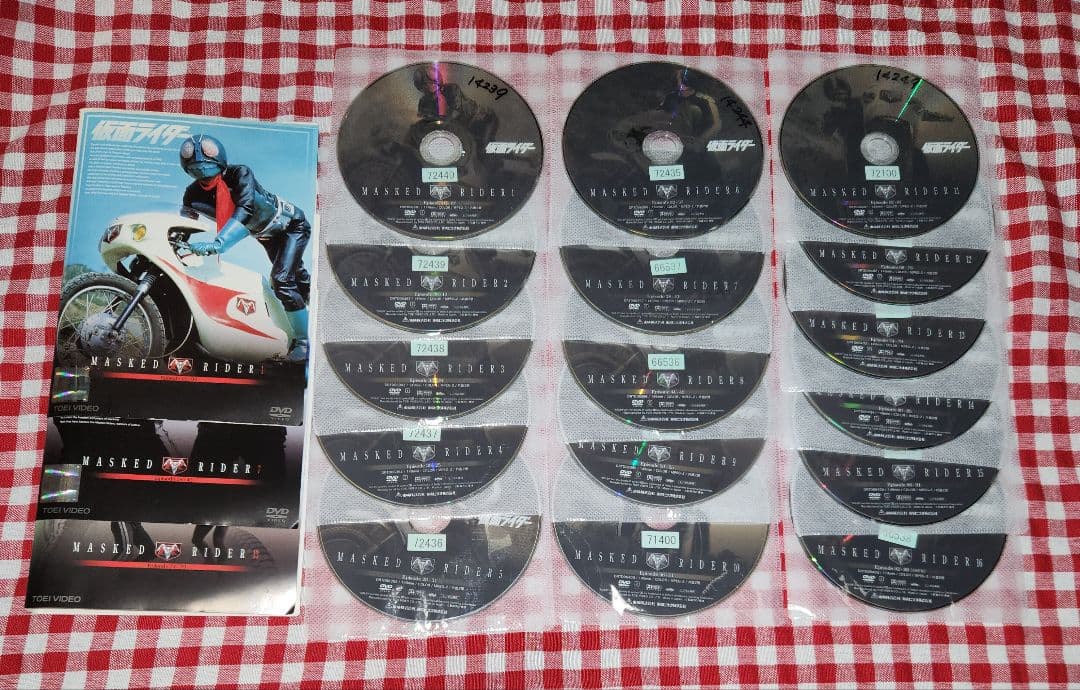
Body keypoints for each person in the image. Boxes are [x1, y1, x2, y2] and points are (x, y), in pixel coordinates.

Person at [179, 134, 311, 362]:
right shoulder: (192, 194)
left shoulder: (240, 173)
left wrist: (218, 244)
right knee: (294, 277)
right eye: (197, 170)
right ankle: (312, 306)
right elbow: (186, 222)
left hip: (291, 226)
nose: (204, 175)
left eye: (208, 168)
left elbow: (246, 208)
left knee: (282, 279)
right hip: (266, 235)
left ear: (220, 161)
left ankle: (304, 343)